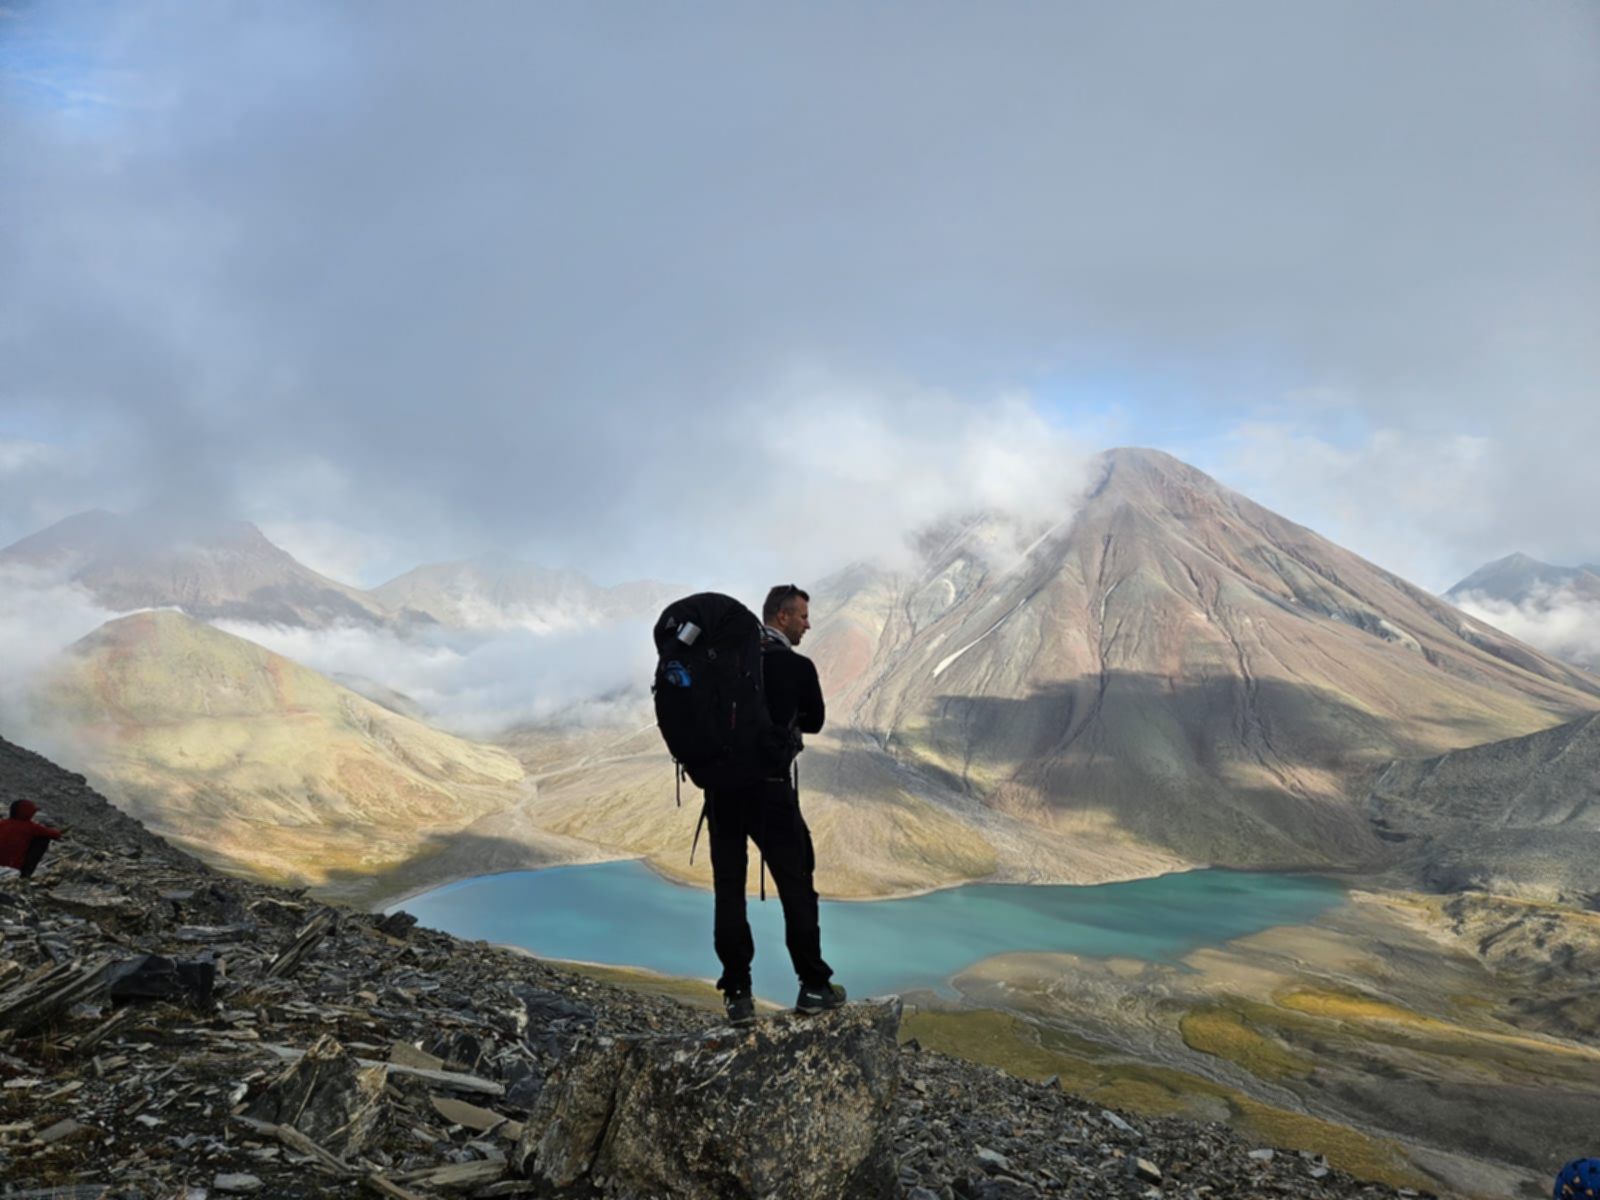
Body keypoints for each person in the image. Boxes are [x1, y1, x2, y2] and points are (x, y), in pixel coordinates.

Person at [708, 583, 845, 1025]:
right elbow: (817, 721)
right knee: (796, 885)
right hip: (770, 791)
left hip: (721, 791)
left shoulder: (724, 664)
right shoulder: (795, 666)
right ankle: (814, 986)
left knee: (729, 889)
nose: (808, 624)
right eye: (803, 616)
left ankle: (738, 995)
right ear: (781, 617)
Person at [0, 800, 64, 878]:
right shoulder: (31, 827)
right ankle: (25, 875)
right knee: (43, 839)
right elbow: (56, 835)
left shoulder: (2, 823)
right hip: (13, 868)